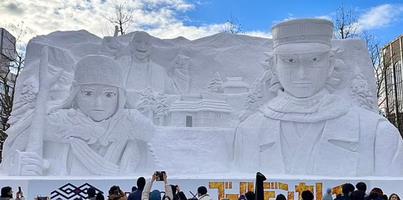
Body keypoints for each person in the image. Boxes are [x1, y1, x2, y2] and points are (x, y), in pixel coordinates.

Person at [233, 18, 403, 176]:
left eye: (314, 60)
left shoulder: (376, 133)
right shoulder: (249, 132)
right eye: (290, 61)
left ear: (330, 64)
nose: (302, 74)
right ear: (274, 65)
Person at [1, 55, 156, 175]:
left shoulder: (133, 123)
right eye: (88, 93)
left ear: (120, 97)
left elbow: (156, 154)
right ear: (75, 93)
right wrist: (22, 165)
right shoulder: (56, 122)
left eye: (109, 95)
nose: (98, 104)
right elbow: (11, 156)